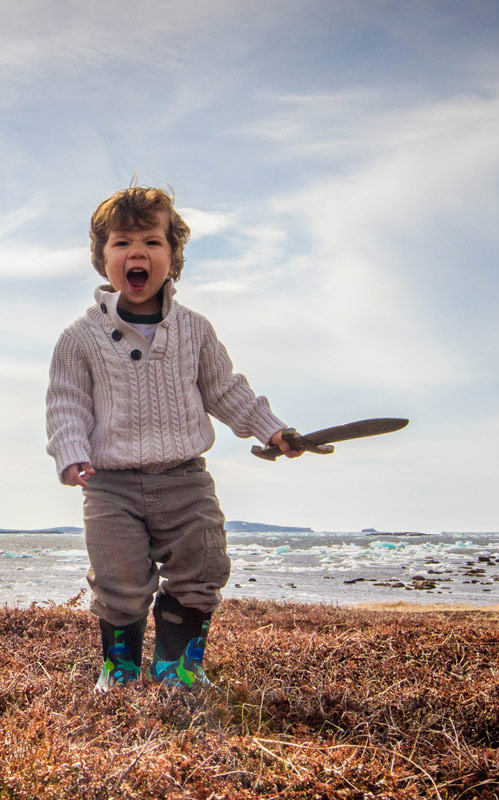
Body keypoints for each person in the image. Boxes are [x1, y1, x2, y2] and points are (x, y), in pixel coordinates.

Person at [45, 185, 301, 690]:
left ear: (173, 256)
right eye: (121, 243)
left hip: (185, 481)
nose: (136, 253)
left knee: (202, 564)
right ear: (102, 259)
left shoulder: (195, 331)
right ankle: (119, 670)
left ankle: (178, 667)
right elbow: (65, 402)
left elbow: (226, 391)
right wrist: (71, 454)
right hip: (110, 484)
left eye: (151, 242)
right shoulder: (79, 338)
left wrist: (273, 430)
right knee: (118, 577)